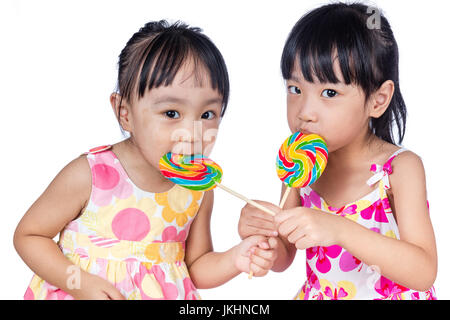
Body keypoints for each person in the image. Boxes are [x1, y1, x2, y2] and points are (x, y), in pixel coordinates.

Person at [14, 20, 276, 300]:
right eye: (172, 113)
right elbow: (30, 236)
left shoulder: (199, 188)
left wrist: (237, 258)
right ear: (124, 112)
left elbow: (194, 267)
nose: (191, 134)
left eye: (207, 114)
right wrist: (80, 283)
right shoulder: (90, 175)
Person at [238, 2, 437, 300]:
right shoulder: (300, 164)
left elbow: (423, 272)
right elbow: (285, 256)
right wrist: (262, 237)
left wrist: (339, 229)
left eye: (329, 93)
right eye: (295, 89)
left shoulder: (398, 169)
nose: (305, 112)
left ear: (378, 100)